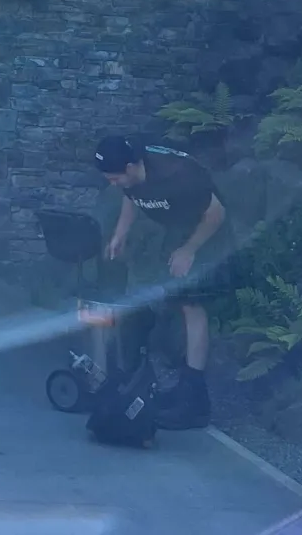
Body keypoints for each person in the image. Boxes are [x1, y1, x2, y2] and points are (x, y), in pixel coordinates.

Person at [95, 132, 235, 429]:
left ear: (132, 166)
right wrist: (120, 234)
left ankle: (195, 403)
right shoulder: (131, 177)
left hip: (207, 234)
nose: (113, 183)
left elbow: (217, 213)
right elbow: (131, 197)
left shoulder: (178, 176)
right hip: (178, 230)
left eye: (115, 177)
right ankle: (186, 387)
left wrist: (189, 250)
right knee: (179, 303)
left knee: (193, 307)